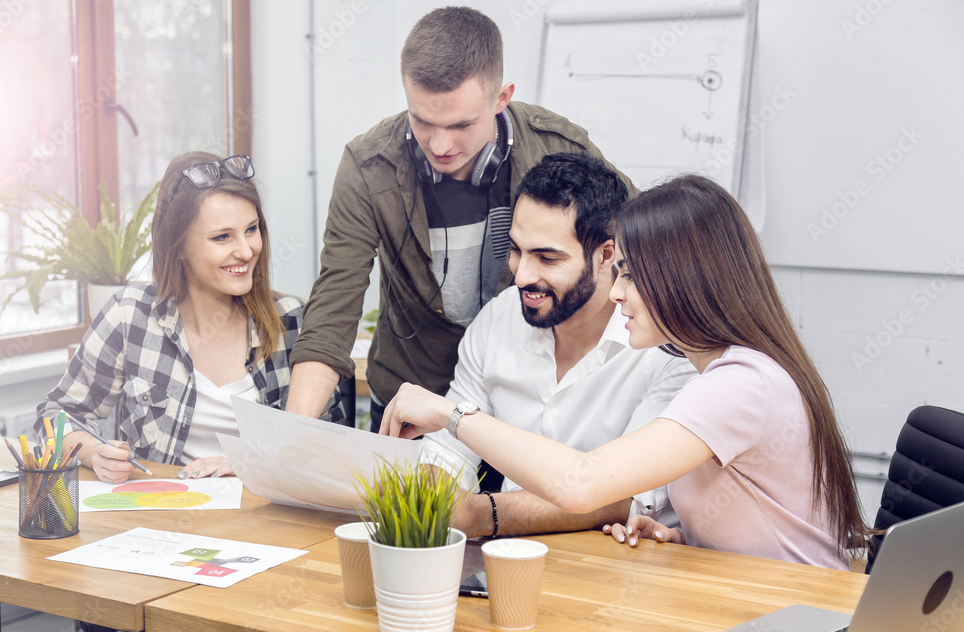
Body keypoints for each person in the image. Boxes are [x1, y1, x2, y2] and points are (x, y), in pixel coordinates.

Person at [381, 174, 869, 570]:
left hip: (800, 621)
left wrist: (451, 414)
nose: (616, 293)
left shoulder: (740, 384)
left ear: (684, 280)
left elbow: (582, 483)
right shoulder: (717, 369)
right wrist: (685, 535)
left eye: (632, 276)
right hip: (752, 604)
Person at [285, 7, 634, 431]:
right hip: (411, 400)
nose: (440, 145)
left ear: (501, 98)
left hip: (520, 402)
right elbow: (333, 308)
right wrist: (287, 439)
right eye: (422, 122)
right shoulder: (369, 165)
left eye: (461, 124)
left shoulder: (554, 145)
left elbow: (650, 238)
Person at [421, 153, 694, 538]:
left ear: (606, 254)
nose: (521, 276)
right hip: (504, 565)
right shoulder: (500, 319)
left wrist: (477, 514)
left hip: (621, 575)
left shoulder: (664, 345)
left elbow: (631, 494)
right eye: (516, 250)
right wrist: (432, 499)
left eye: (547, 258)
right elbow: (447, 452)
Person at [36, 151, 345, 484]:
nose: (245, 250)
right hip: (163, 518)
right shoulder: (131, 316)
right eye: (222, 237)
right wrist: (94, 453)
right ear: (178, 245)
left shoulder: (294, 321)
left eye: (251, 229)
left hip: (264, 519)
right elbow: (54, 416)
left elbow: (333, 446)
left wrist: (249, 462)